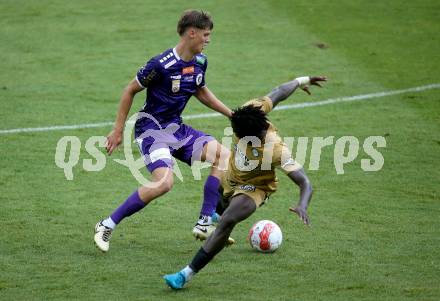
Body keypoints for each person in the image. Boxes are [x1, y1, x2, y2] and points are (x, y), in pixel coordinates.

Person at [163, 75, 327, 289]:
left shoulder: (277, 151)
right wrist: (301, 80)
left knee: (226, 223)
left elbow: (305, 182)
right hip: (232, 175)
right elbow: (278, 91)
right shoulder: (250, 111)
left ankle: (185, 274)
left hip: (255, 189)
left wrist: (302, 205)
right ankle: (215, 214)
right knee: (220, 203)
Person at [94, 10, 234, 253]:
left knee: (223, 156)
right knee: (164, 183)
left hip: (176, 129)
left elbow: (200, 91)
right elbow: (129, 90)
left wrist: (231, 114)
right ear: (192, 33)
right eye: (206, 34)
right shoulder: (161, 64)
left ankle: (204, 222)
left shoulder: (200, 62)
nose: (208, 40)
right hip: (151, 131)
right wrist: (117, 131)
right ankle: (106, 225)